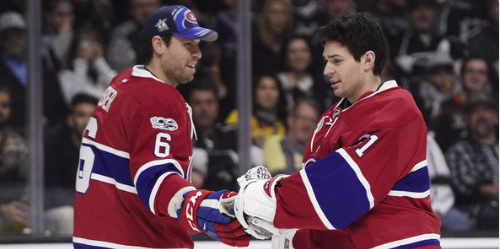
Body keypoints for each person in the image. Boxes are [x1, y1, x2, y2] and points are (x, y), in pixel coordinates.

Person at [234, 12, 442, 248]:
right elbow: (326, 213)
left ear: (367, 60)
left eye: (336, 61)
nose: (326, 70)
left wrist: (262, 197)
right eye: (326, 61)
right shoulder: (328, 119)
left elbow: (339, 194)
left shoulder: (397, 109)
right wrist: (294, 234)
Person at [73, 5, 249, 249]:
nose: (198, 53)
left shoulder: (124, 82)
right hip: (138, 241)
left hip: (98, 238)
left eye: (198, 44)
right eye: (188, 44)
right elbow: (154, 177)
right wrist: (199, 205)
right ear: (158, 45)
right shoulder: (157, 97)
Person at [189, 79, 263, 191]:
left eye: (209, 102)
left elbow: (256, 159)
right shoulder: (184, 135)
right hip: (200, 202)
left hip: (235, 201)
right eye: (198, 103)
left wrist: (206, 162)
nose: (204, 109)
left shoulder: (231, 132)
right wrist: (231, 158)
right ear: (189, 107)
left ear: (217, 105)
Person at [447, 91, 499, 230]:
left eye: (486, 110)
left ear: (496, 115)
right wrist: (492, 190)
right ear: (467, 118)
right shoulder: (459, 150)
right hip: (478, 214)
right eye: (475, 111)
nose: (481, 116)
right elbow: (464, 184)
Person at [262, 98, 320, 175]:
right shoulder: (276, 141)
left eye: (312, 120)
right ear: (290, 120)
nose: (307, 124)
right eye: (303, 118)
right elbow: (280, 176)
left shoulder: (315, 153)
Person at [0, 87, 29, 235]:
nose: (0, 110)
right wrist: (2, 209)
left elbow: (29, 183)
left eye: (5, 105)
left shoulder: (18, 144)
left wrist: (21, 206)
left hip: (13, 210)